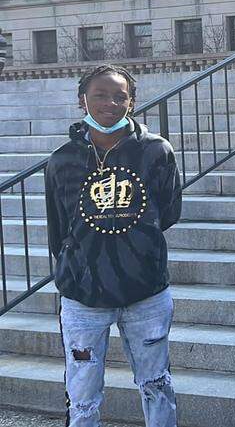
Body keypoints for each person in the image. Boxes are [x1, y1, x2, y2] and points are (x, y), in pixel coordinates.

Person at [45, 65, 181, 427]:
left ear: (132, 102)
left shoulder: (156, 152)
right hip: (83, 298)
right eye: (100, 95)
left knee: (157, 384)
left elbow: (167, 213)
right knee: (83, 396)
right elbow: (58, 227)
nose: (110, 103)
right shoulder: (62, 160)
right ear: (82, 100)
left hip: (146, 294)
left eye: (120, 96)